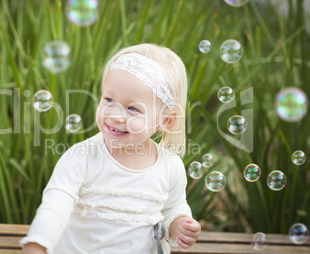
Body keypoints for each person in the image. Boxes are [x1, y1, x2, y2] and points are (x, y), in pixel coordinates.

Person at [20, 43, 201, 254]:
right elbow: (55, 206)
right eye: (108, 99)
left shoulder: (170, 166)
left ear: (166, 121)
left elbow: (173, 207)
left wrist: (179, 224)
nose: (114, 114)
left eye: (133, 108)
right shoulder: (81, 158)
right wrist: (38, 244)